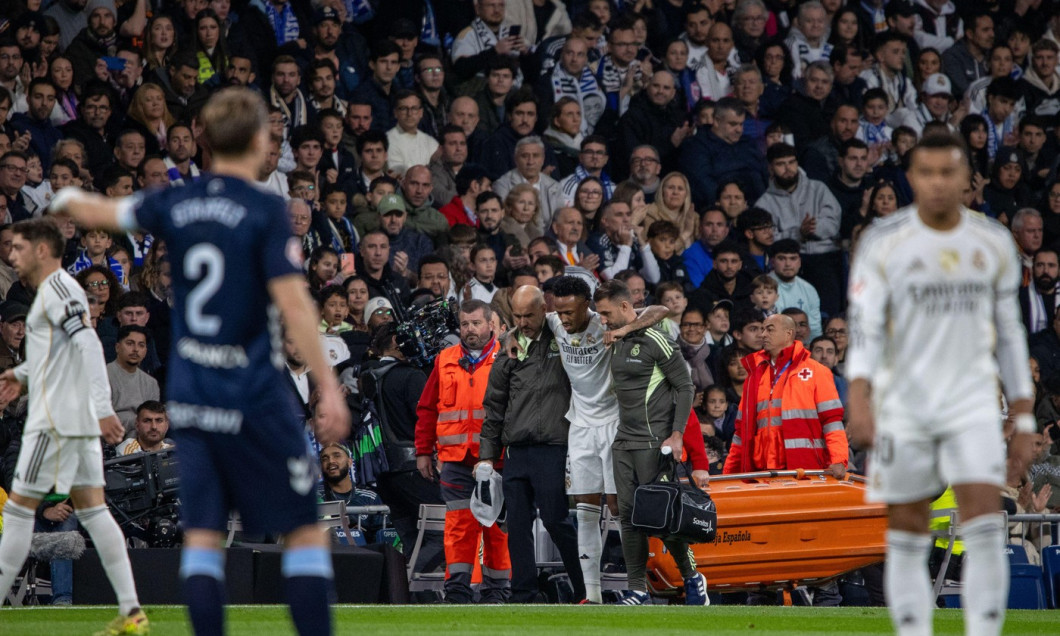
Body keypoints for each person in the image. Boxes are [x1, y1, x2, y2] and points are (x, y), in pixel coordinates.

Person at [57, 88, 351, 636]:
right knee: (305, 532)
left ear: (204, 141)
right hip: (254, 395)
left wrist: (59, 198)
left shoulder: (175, 200)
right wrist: (327, 385)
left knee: (202, 538)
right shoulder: (265, 209)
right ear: (262, 141)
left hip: (193, 397)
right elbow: (292, 301)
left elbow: (102, 209)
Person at [846, 133, 1037, 636]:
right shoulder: (883, 240)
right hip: (904, 401)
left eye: (947, 173)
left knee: (984, 522)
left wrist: (1022, 415)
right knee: (907, 527)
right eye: (926, 173)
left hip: (972, 399)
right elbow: (864, 329)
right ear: (910, 178)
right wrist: (859, 399)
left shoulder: (992, 241)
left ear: (968, 180)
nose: (936, 182)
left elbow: (1011, 335)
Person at [0, 219, 147, 634]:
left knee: (17, 513)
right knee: (95, 513)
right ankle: (132, 612)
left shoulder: (60, 292)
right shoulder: (53, 291)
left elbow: (85, 346)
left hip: (59, 422)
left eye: (20, 248)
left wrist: (103, 409)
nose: (13, 256)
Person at [547, 275, 668, 604]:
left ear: (587, 305)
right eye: (559, 312)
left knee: (619, 507)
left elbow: (662, 308)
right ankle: (593, 595)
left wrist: (622, 331)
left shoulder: (604, 322)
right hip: (581, 426)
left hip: (614, 424)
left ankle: (639, 586)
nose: (564, 319)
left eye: (570, 312)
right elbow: (520, 327)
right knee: (585, 507)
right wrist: (512, 336)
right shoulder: (555, 323)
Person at [592, 279, 706, 606]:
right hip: (623, 442)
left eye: (606, 313)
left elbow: (685, 387)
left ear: (626, 307)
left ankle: (691, 577)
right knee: (628, 518)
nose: (603, 320)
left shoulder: (657, 338)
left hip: (654, 443)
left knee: (662, 517)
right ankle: (638, 590)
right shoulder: (613, 338)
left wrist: (677, 433)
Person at [478, 286, 584, 603]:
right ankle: (523, 593)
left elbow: (578, 321)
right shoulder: (508, 347)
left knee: (555, 520)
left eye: (529, 315)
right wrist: (486, 457)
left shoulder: (563, 337)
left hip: (553, 447)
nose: (523, 322)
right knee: (518, 525)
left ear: (544, 309)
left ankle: (584, 589)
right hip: (515, 451)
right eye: (517, 316)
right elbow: (494, 405)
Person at [413, 299, 511, 604]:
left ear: (491, 325)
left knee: (497, 527)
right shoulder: (445, 359)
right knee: (458, 526)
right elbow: (428, 408)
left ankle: (498, 591)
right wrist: (423, 452)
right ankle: (457, 590)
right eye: (465, 324)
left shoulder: (507, 358)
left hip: (497, 460)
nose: (470, 329)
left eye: (476, 323)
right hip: (455, 459)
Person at [723, 312, 847, 476]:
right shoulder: (755, 376)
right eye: (762, 330)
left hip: (806, 469)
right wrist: (729, 472)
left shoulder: (817, 372)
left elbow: (832, 421)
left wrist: (838, 459)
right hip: (763, 472)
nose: (763, 334)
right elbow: (741, 431)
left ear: (788, 333)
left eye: (769, 329)